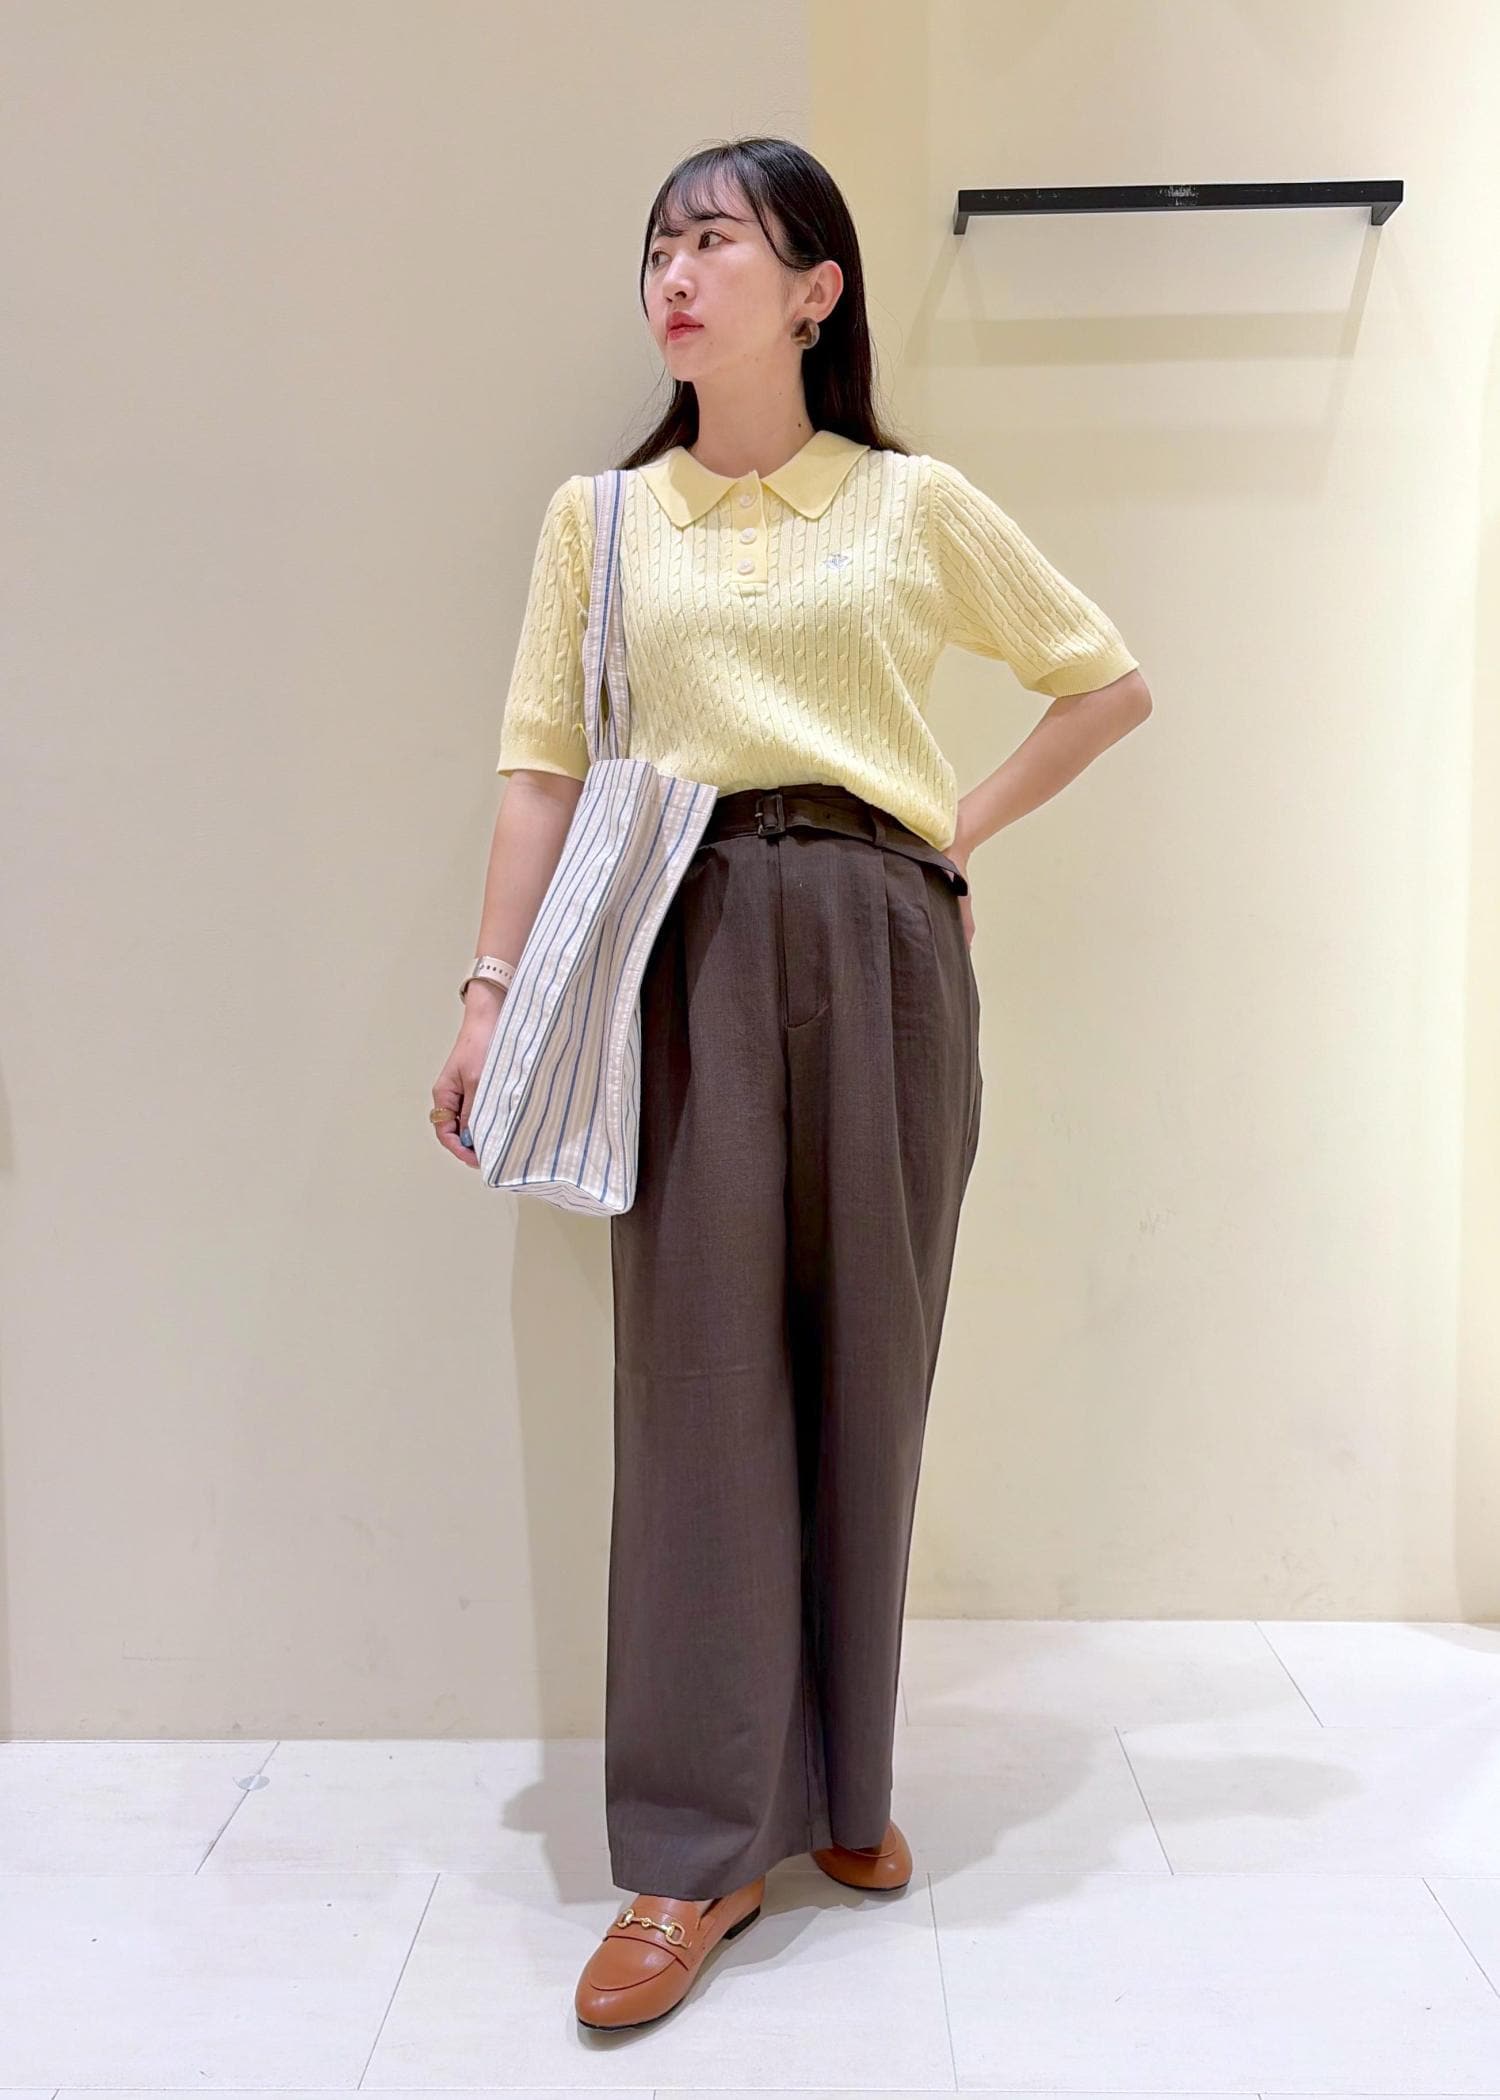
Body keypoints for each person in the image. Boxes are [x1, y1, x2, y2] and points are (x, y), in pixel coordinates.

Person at [431, 136, 1151, 2032]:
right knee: (695, 1382)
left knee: (868, 1364)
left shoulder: (911, 505)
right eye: (657, 248)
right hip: (678, 939)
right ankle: (691, 1851)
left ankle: (836, 1789)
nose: (674, 276)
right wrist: (488, 992)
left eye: (714, 242)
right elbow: (541, 767)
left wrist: (952, 833)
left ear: (815, 288)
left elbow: (1103, 682)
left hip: (883, 940)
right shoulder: (602, 522)